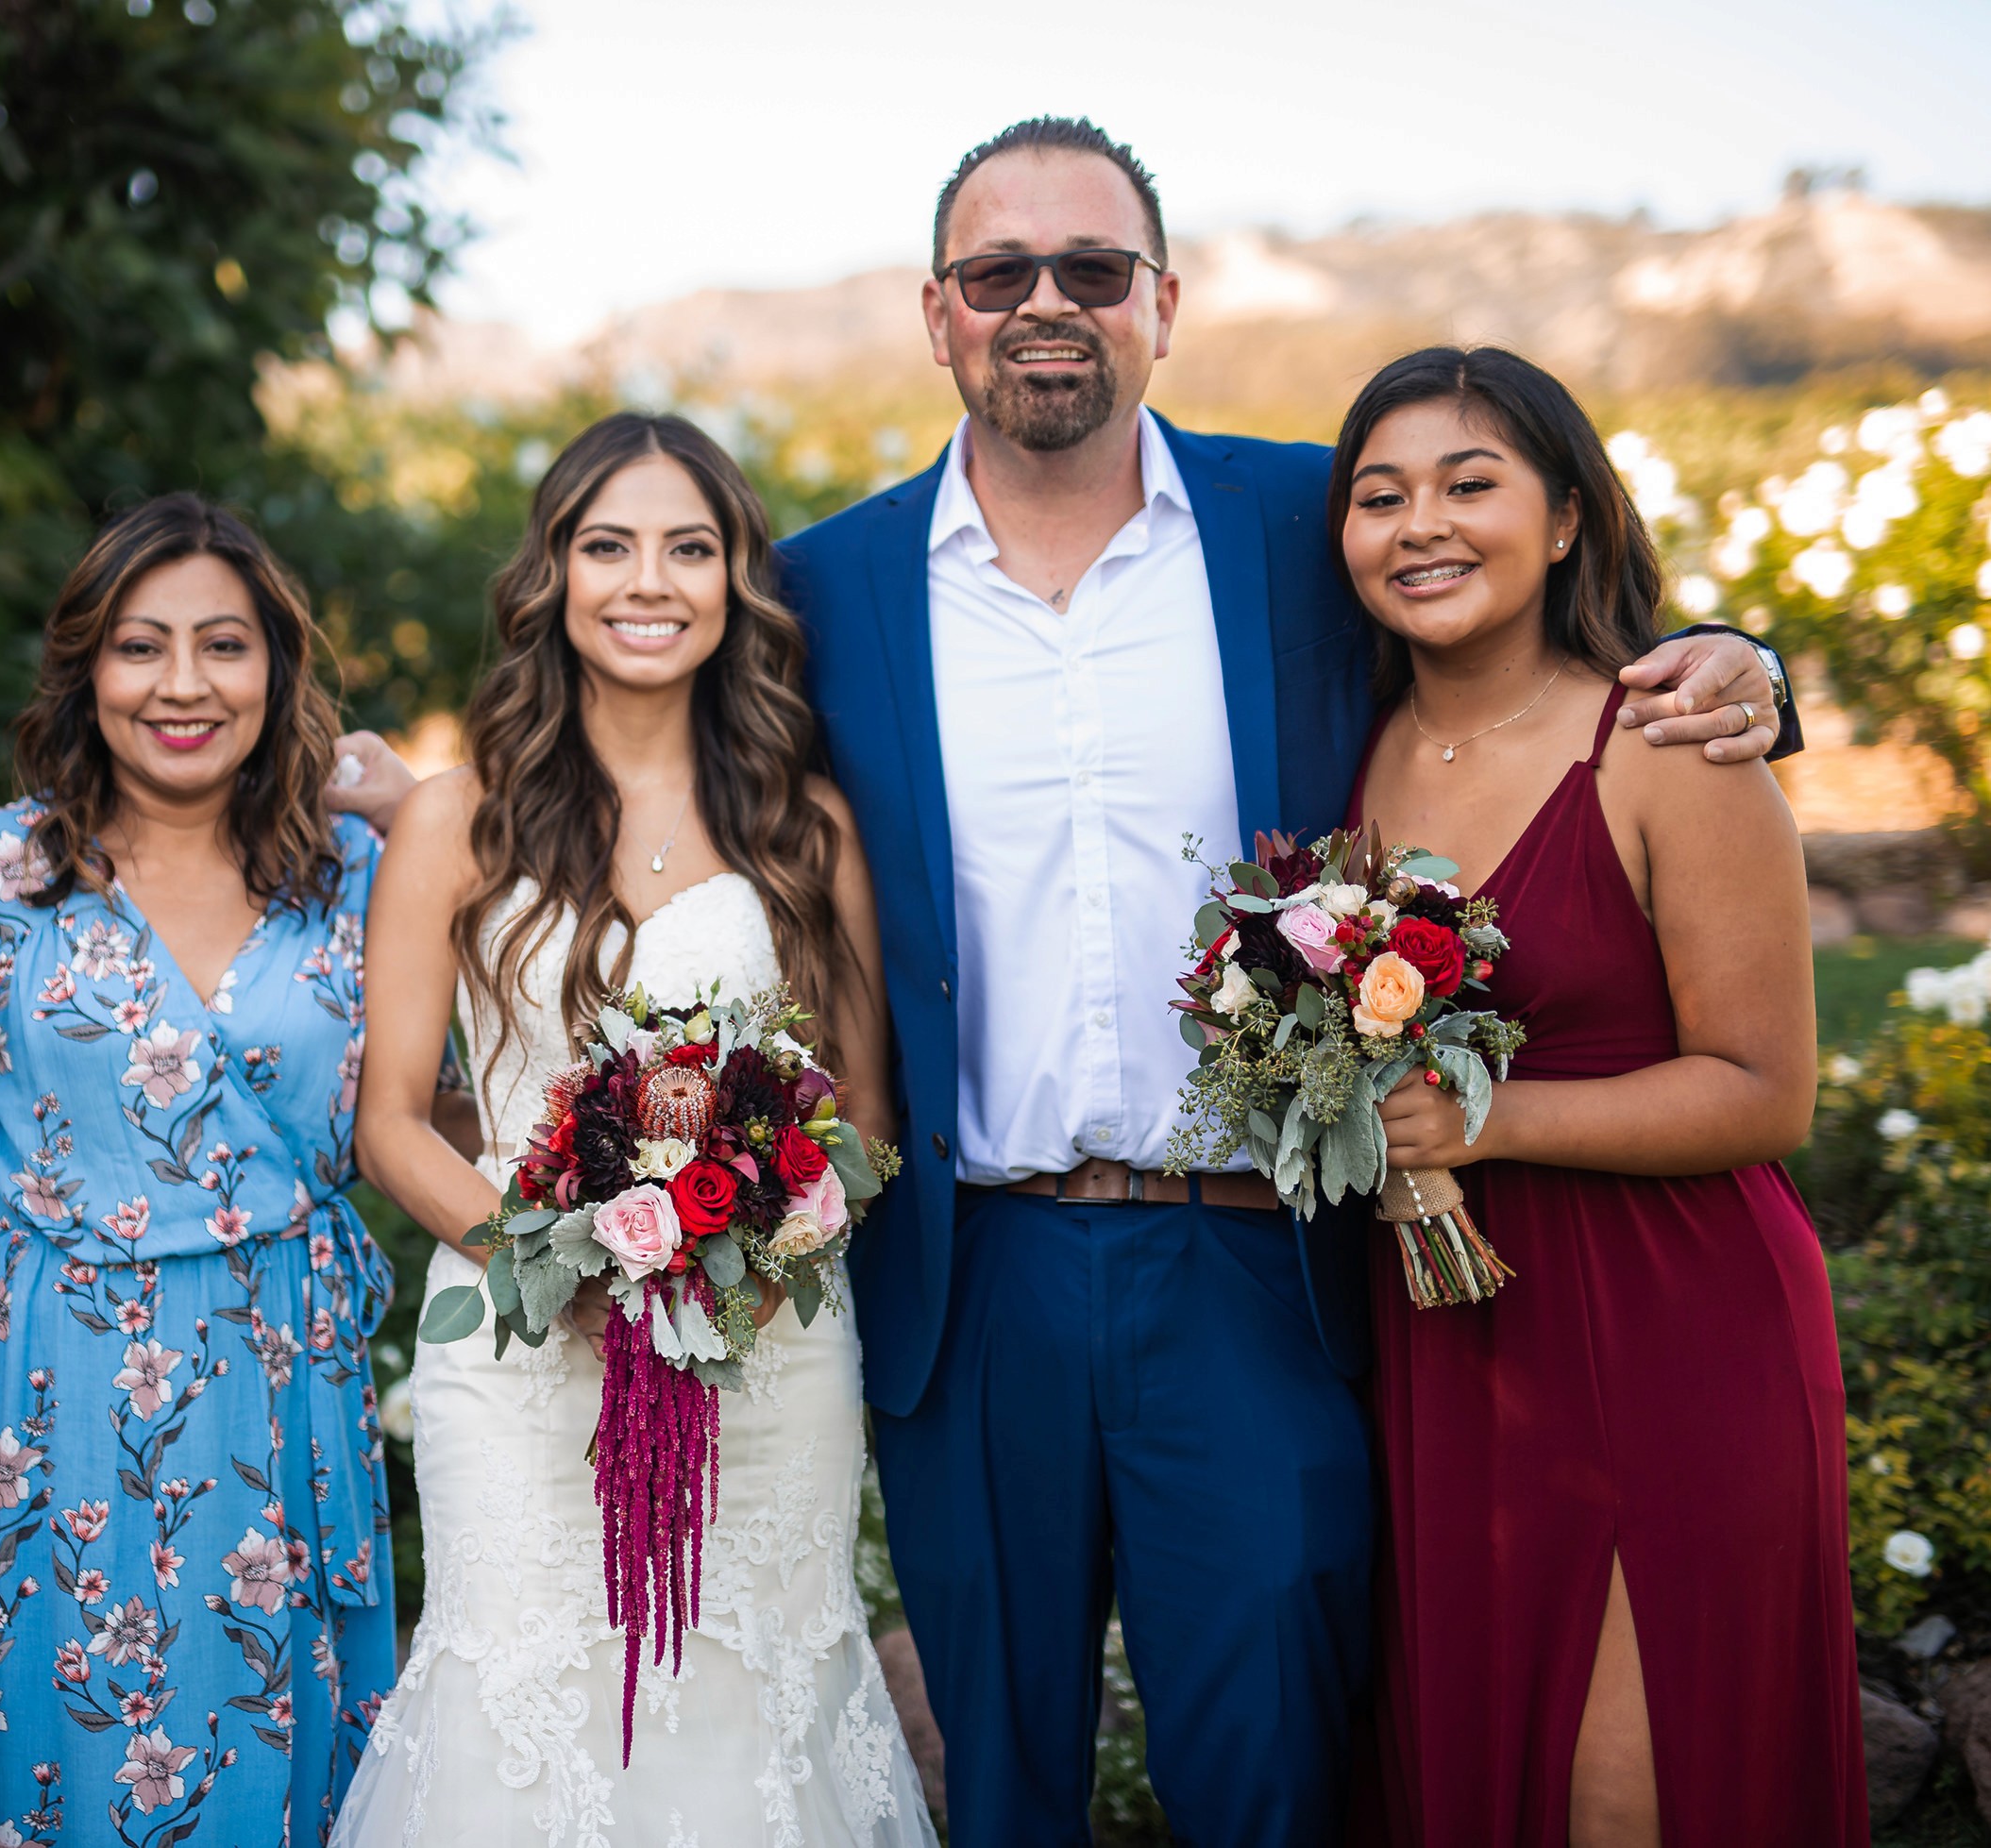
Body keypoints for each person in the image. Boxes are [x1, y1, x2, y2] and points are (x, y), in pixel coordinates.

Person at [771, 118, 1799, 1844]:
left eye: (1090, 270)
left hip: (1251, 1257)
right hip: (974, 1274)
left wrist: (1742, 665)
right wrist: (401, 802)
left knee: (1273, 1775)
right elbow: (631, 743)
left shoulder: (1296, 530)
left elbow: (1521, 642)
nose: (1045, 304)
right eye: (997, 272)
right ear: (935, 314)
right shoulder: (820, 586)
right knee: (1002, 1780)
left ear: (1160, 303)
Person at [335, 412, 938, 1846]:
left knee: (751, 1688)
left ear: (736, 580)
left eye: (689, 546)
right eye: (606, 545)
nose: (645, 579)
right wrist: (575, 1263)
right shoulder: (455, 819)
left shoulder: (807, 826)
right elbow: (393, 1124)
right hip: (516, 1346)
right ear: (551, 575)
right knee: (523, 1692)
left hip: (765, 1347)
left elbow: (863, 1113)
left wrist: (728, 1252)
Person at [1339, 346, 1862, 1845]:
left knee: (1627, 1783)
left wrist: (1486, 1120)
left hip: (1670, 1323)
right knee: (1476, 1754)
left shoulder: (1670, 745)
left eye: (1468, 483)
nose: (1419, 524)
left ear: (1566, 516)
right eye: (1379, 497)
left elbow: (1765, 1093)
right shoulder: (1351, 756)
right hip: (1451, 1336)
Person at [0, 495, 408, 1846]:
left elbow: (428, 1109)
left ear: (277, 669)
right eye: (141, 645)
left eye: (224, 645)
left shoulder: (358, 871)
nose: (183, 683)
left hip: (286, 1360)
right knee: (62, 1745)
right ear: (86, 670)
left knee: (283, 1734)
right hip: (55, 1379)